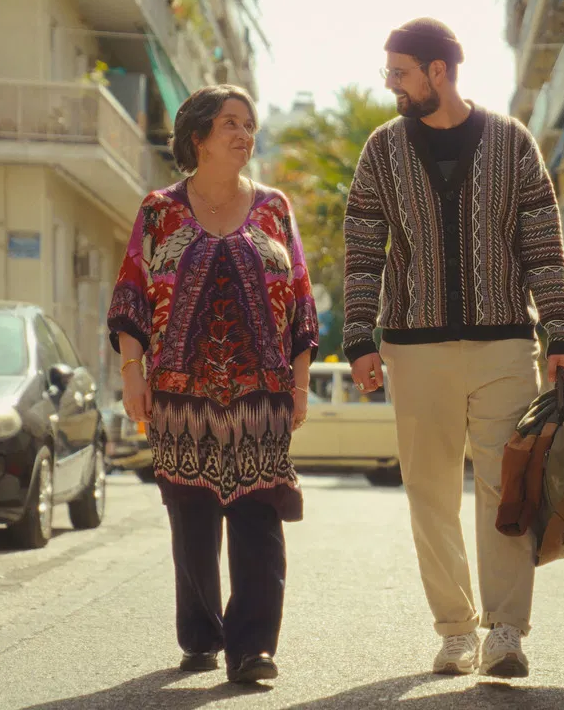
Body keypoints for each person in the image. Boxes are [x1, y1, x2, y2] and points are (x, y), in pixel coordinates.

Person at [342, 18, 564, 678]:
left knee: (508, 489)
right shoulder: (382, 150)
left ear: (437, 72)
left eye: (399, 73)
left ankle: (505, 630)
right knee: (430, 493)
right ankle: (454, 629)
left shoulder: (511, 141)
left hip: (504, 342)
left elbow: (542, 246)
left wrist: (558, 331)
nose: (390, 84)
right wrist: (358, 336)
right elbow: (363, 249)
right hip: (414, 348)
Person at [107, 84, 319, 684]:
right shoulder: (159, 211)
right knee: (192, 519)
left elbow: (300, 299)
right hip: (179, 394)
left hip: (261, 391)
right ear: (198, 136)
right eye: (230, 123)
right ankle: (200, 634)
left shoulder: (274, 207)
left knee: (258, 518)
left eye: (249, 124)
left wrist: (300, 383)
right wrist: (132, 375)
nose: (244, 134)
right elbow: (131, 297)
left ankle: (253, 649)